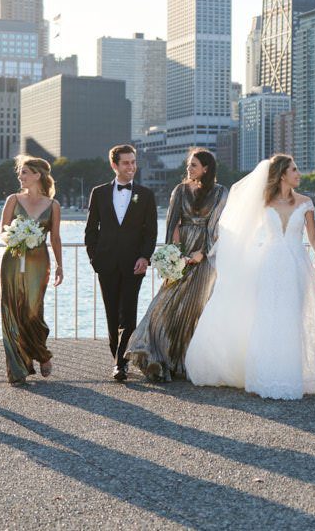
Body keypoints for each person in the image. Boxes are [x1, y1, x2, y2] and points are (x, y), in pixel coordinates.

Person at [185, 155, 315, 399]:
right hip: (270, 263)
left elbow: (314, 238)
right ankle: (267, 374)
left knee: (294, 317)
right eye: (294, 170)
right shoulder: (264, 204)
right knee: (268, 316)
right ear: (282, 174)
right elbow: (242, 233)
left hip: (298, 264)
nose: (299, 174)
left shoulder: (306, 203)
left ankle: (293, 374)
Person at [126, 148, 228, 381]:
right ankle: (157, 356)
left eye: (194, 165)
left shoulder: (221, 193)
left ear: (206, 168)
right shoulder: (180, 191)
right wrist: (175, 255)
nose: (189, 169)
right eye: (188, 164)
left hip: (205, 258)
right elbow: (172, 224)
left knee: (195, 309)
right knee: (163, 306)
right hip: (181, 255)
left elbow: (217, 228)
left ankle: (185, 362)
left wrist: (202, 253)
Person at [84, 144, 158, 382]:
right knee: (111, 314)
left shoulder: (146, 195)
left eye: (134, 162)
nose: (131, 167)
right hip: (105, 263)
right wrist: (94, 259)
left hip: (134, 263)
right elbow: (90, 230)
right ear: (114, 165)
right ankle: (116, 356)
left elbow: (151, 232)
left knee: (129, 312)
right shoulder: (99, 192)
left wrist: (145, 257)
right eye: (126, 163)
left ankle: (121, 363)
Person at [0, 156, 63, 385]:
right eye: (20, 173)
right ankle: (17, 368)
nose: (20, 176)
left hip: (38, 262)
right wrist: (18, 235)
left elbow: (54, 237)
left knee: (33, 310)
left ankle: (41, 353)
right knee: (12, 310)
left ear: (37, 175)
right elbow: (3, 230)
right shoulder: (12, 200)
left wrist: (59, 266)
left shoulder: (53, 205)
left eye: (24, 172)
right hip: (13, 260)